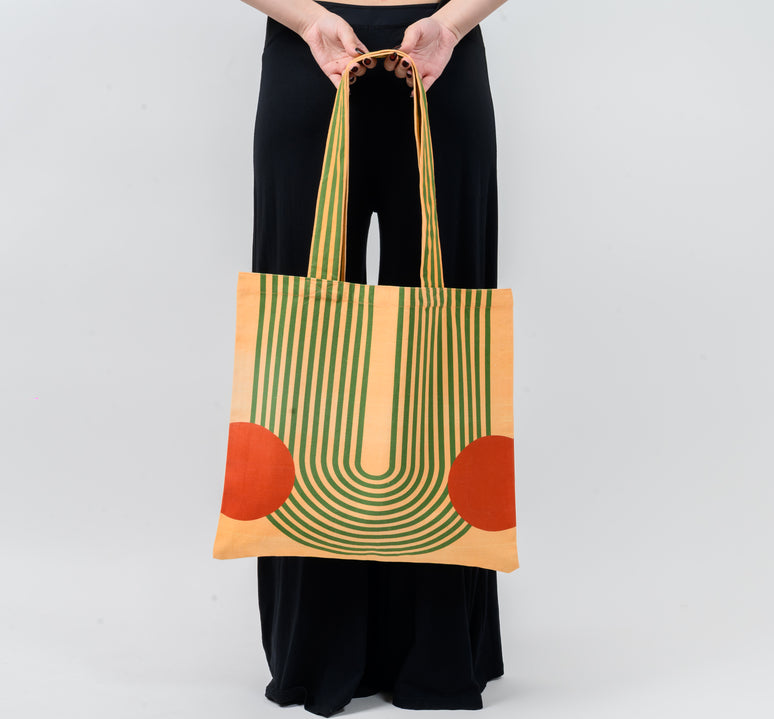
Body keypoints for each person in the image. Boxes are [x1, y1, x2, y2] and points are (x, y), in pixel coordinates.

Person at [238, 0, 509, 714]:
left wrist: (453, 24)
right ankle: (316, 647)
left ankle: (436, 648)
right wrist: (305, 19)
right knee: (304, 358)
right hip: (310, 56)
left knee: (445, 359)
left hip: (445, 59)